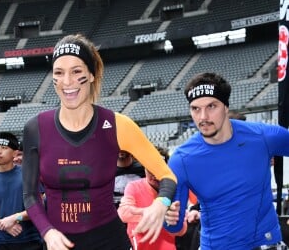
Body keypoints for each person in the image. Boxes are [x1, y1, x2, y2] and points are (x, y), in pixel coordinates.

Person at [22, 33, 177, 250]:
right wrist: (47, 232)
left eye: (77, 72)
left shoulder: (118, 125)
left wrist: (161, 203)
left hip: (110, 241)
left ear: (92, 75)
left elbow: (167, 176)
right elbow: (30, 194)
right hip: (58, 243)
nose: (67, 82)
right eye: (59, 72)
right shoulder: (35, 128)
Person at [164, 72, 289, 250]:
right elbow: (174, 227)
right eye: (195, 109)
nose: (203, 117)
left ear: (226, 107)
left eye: (211, 106)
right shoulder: (181, 159)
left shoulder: (263, 136)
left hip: (266, 242)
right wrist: (169, 218)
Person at [118, 146, 186, 250]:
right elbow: (123, 213)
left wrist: (174, 222)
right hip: (140, 245)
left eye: (157, 169)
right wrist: (155, 214)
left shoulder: (175, 189)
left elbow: (182, 230)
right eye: (149, 169)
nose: (154, 175)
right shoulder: (134, 186)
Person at [0, 132, 42, 250]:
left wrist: (15, 218)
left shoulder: (28, 174)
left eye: (4, 148)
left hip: (29, 241)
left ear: (15, 153)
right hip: (0, 243)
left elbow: (39, 206)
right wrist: (0, 224)